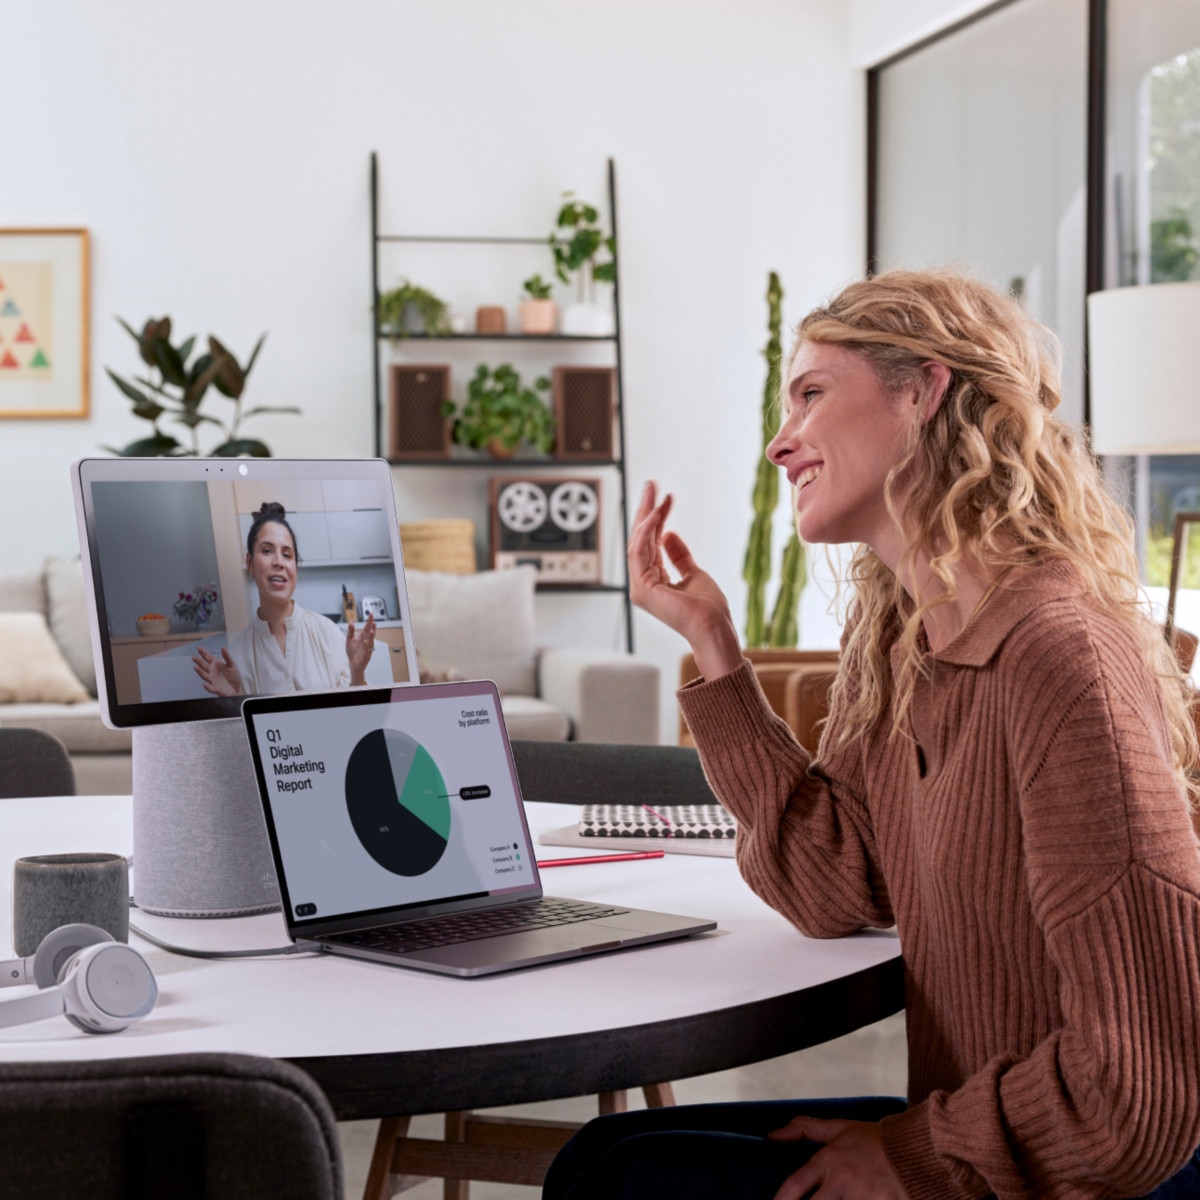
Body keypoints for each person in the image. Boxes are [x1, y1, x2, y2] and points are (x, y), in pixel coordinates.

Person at [543, 269, 1200, 1200]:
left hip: (1097, 1170)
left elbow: (1142, 1094)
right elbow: (829, 883)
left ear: (924, 390)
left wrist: (911, 1156)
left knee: (629, 1182)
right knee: (597, 1156)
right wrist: (713, 644)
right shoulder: (910, 648)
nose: (781, 442)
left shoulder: (1060, 658)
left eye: (812, 394)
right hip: (989, 1128)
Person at [192, 501, 377, 696]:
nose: (279, 562)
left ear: (295, 567)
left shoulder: (327, 632)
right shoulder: (237, 654)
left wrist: (357, 675)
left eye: (287, 554)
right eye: (266, 551)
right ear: (250, 563)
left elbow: (358, 715)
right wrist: (236, 700)